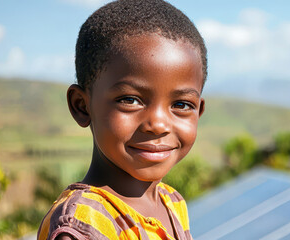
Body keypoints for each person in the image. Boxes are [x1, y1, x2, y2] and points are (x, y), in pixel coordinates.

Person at [37, 0, 207, 239]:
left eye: (181, 105)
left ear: (198, 111)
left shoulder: (172, 202)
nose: (157, 124)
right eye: (130, 100)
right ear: (82, 106)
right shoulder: (83, 226)